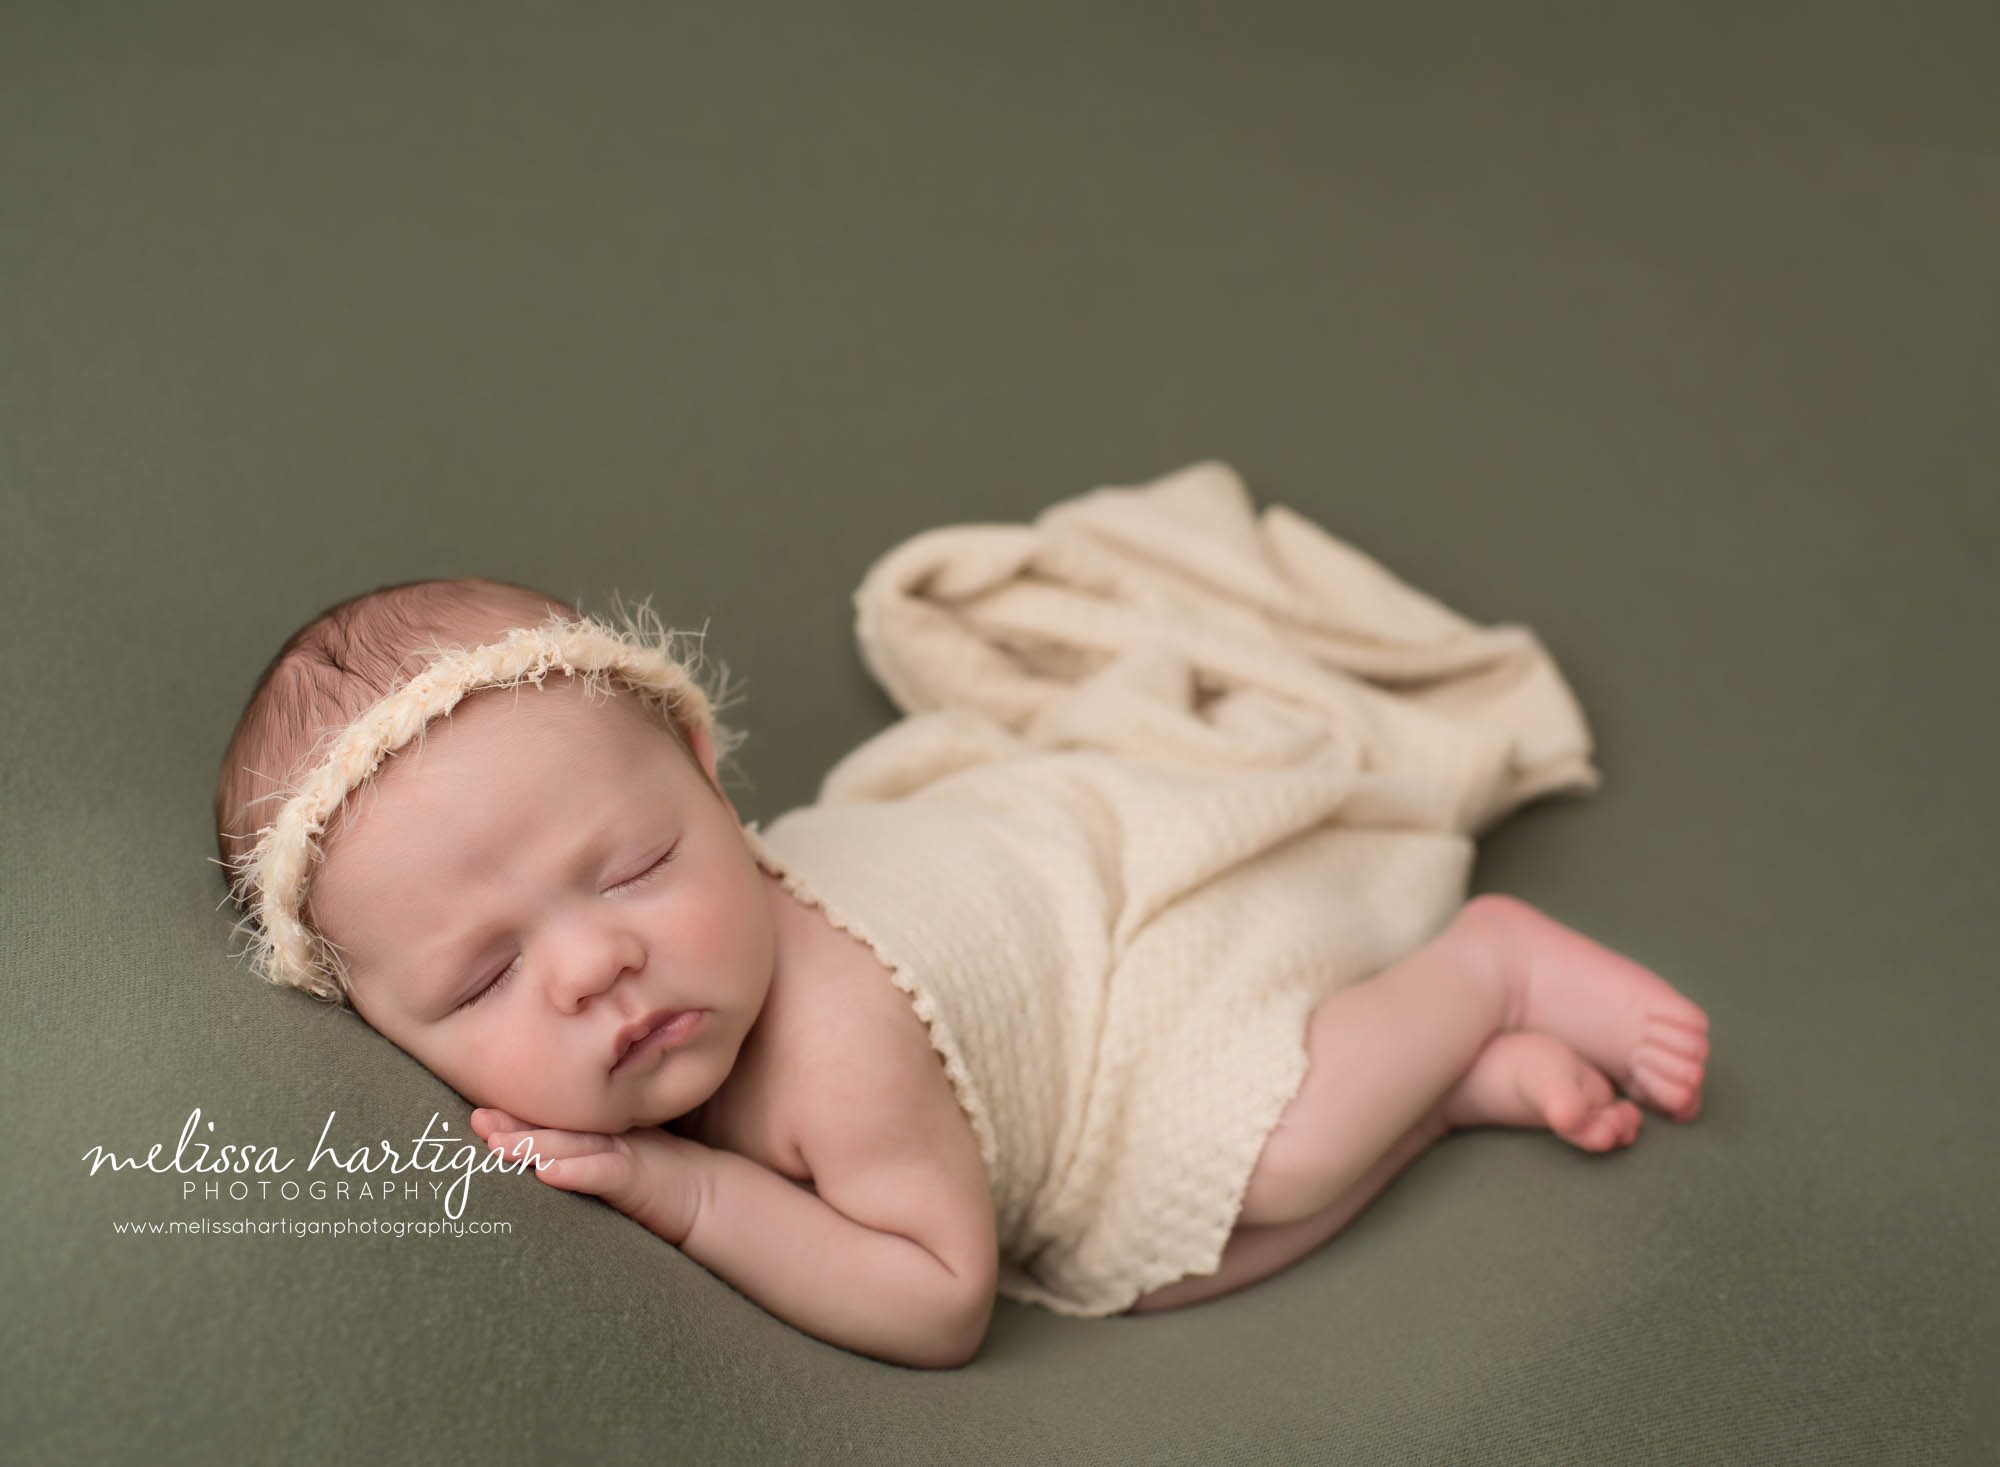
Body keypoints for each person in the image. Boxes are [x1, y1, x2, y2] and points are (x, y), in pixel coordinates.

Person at [213, 572, 1709, 1371]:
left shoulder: (837, 1047)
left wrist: (685, 1189)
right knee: (1154, 1286)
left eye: (634, 870)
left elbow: (942, 1304)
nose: (599, 960)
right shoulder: (646, 977)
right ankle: (1444, 1091)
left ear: (708, 782)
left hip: (1120, 975)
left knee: (1281, 1159)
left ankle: (1482, 979)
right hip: (995, 980)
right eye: (480, 981)